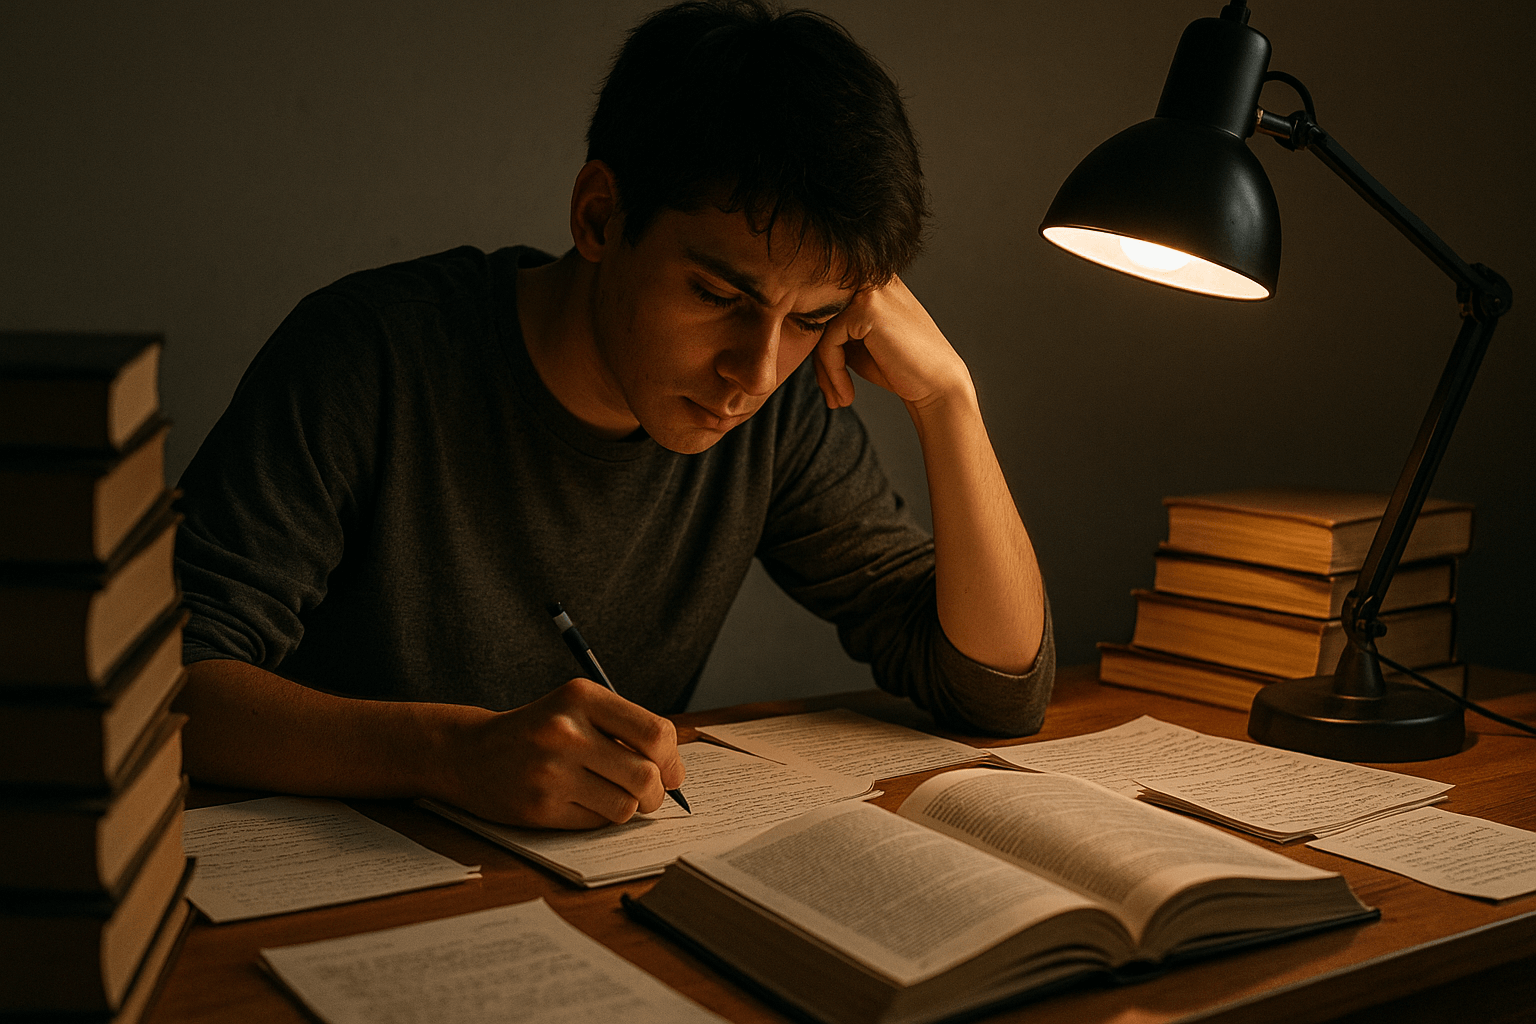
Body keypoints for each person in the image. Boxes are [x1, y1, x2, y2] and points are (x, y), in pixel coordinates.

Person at [172, 0, 1054, 831]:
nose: (753, 370)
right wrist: (447, 753)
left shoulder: (774, 415)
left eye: (813, 319)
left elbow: (995, 689)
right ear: (599, 216)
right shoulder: (370, 356)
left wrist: (948, 403)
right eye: (717, 294)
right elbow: (166, 690)